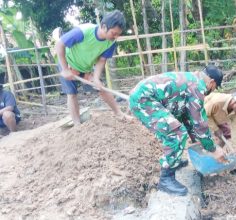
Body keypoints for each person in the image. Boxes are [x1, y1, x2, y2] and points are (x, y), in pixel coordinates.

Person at [129, 65, 226, 196]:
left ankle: (175, 160)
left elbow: (187, 115)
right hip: (144, 100)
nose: (212, 90)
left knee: (177, 125)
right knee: (176, 133)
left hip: (146, 96)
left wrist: (195, 139)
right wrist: (213, 149)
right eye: (214, 88)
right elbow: (199, 123)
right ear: (212, 82)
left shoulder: (192, 80)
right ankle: (166, 179)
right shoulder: (197, 87)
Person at [55, 10, 130, 125]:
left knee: (101, 88)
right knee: (72, 93)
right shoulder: (83, 32)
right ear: (104, 27)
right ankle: (77, 125)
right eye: (114, 33)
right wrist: (65, 69)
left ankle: (119, 114)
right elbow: (60, 44)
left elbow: (102, 60)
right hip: (68, 63)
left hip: (84, 68)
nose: (115, 37)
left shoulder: (111, 42)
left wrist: (96, 78)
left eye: (118, 34)